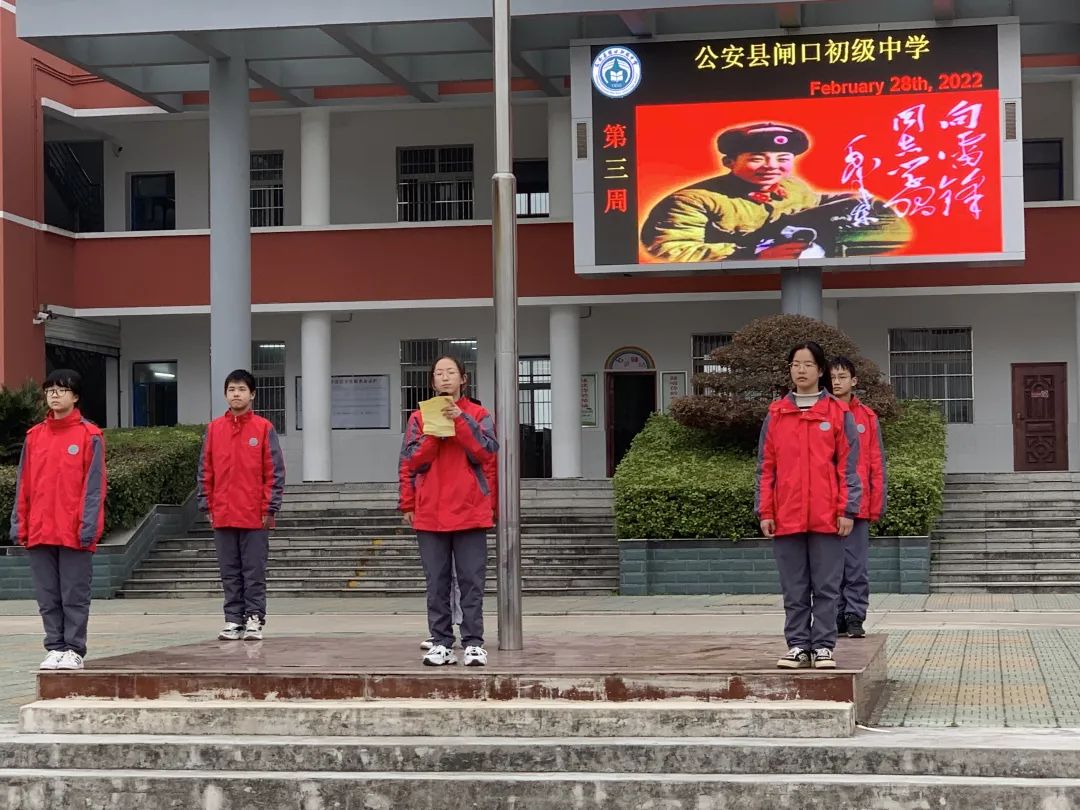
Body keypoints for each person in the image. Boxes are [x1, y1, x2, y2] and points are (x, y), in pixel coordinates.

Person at [640, 122, 910, 263]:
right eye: (757, 158)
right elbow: (669, 249)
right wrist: (751, 254)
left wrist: (860, 201)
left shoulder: (792, 185)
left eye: (783, 158)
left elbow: (815, 201)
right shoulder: (692, 201)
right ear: (730, 162)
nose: (772, 166)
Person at [755, 342, 862, 670]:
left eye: (807, 364)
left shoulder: (837, 413)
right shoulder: (776, 414)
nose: (800, 370)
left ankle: (825, 646)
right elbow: (766, 467)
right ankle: (799, 645)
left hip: (827, 515)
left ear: (820, 371)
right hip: (786, 515)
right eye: (795, 365)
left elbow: (849, 466)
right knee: (794, 586)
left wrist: (848, 510)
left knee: (827, 586)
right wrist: (765, 511)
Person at [399, 356, 498, 667]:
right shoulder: (418, 418)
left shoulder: (478, 414)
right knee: (437, 581)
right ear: (432, 382)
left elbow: (485, 453)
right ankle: (441, 642)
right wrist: (408, 504)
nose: (444, 378)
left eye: (450, 372)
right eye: (439, 373)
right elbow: (411, 462)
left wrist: (459, 420)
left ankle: (473, 643)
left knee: (472, 580)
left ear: (463, 379)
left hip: (470, 510)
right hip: (430, 511)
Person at [11, 369, 106, 671]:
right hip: (39, 529)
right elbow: (23, 484)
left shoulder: (89, 435)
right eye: (50, 389)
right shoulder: (34, 436)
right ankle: (55, 646)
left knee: (73, 594)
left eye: (62, 389)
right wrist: (19, 523)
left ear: (75, 396)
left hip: (73, 531)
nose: (54, 394)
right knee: (47, 595)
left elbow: (94, 487)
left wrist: (88, 526)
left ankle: (74, 649)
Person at [197, 369, 285, 642]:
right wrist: (207, 506)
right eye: (232, 389)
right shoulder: (214, 429)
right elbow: (205, 470)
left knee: (254, 571)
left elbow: (274, 471)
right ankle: (233, 619)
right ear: (225, 394)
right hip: (222, 513)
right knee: (229, 572)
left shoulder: (263, 428)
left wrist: (269, 508)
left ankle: (254, 619)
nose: (236, 394)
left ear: (252, 394)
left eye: (242, 389)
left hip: (254, 515)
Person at [829, 356, 887, 639]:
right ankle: (835, 616)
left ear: (854, 381)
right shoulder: (820, 413)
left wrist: (875, 504)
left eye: (842, 377)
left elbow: (876, 463)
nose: (837, 382)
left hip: (857, 508)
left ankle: (854, 616)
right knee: (830, 567)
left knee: (856, 567)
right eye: (833, 377)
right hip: (826, 507)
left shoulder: (867, 417)